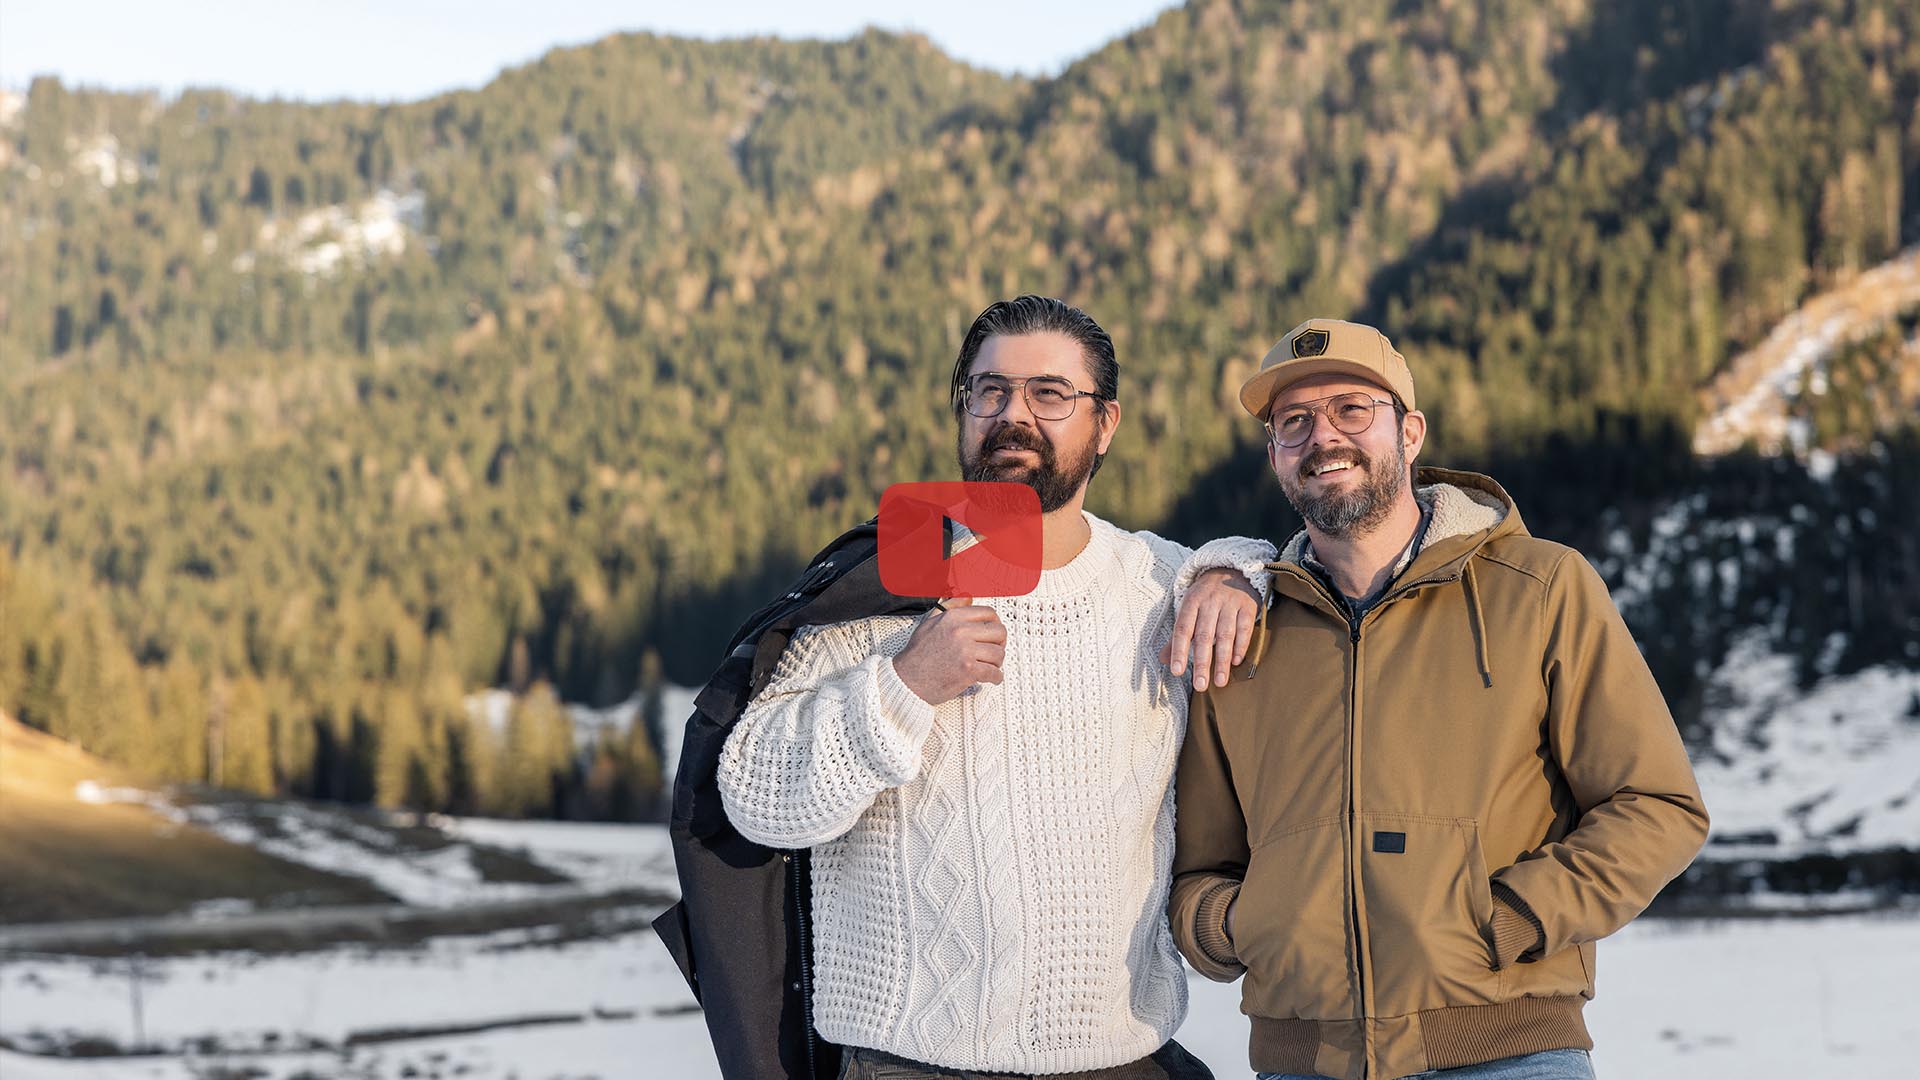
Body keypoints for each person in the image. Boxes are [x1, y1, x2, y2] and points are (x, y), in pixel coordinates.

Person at [717, 295, 1274, 1078]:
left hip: (1117, 1061)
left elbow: (1282, 578)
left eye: (1050, 394)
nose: (1014, 415)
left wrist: (1238, 568)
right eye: (989, 391)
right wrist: (905, 684)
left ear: (1105, 424)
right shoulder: (885, 584)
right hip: (907, 1063)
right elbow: (756, 799)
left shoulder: (1162, 585)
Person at [1168, 318, 1710, 1080]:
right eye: (1295, 422)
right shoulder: (1240, 634)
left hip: (1509, 1054)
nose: (1324, 436)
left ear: (1411, 432)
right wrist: (1239, 927)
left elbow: (1657, 805)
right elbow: (1199, 865)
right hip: (1303, 1062)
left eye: (1352, 409)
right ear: (1276, 457)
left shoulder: (1542, 588)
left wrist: (1512, 919)